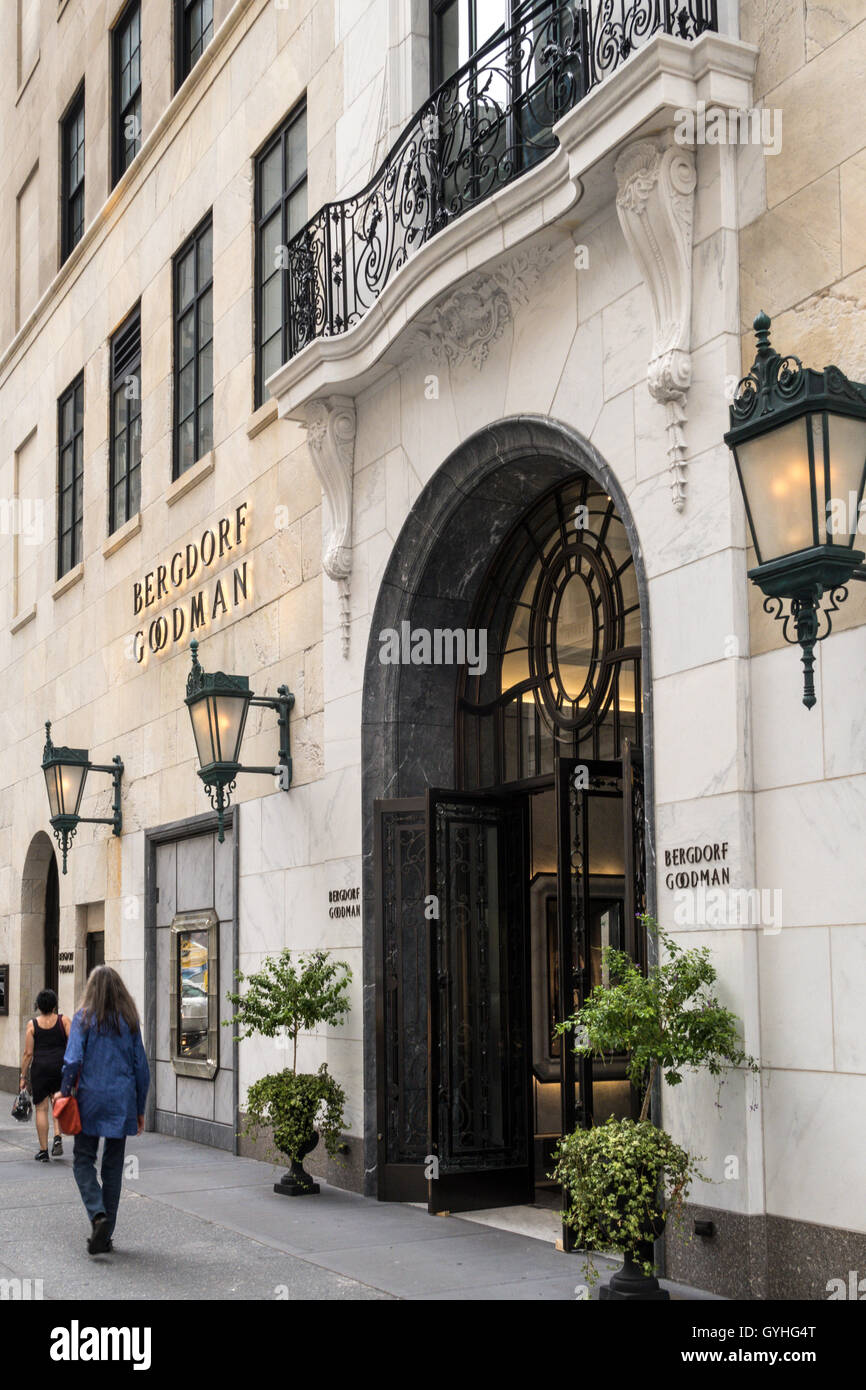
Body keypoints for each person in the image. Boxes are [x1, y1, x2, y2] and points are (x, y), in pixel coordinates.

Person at [60, 966, 150, 1256]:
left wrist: (64, 1092)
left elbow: (72, 1060)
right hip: (121, 1100)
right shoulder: (130, 1022)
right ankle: (106, 1235)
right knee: (113, 1166)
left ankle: (97, 1214)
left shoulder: (83, 1019)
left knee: (83, 1160)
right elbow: (141, 1069)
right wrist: (139, 1107)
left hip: (90, 1100)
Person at [19, 989, 71, 1161]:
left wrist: (23, 1076)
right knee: (57, 1102)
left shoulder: (32, 1025)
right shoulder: (64, 1021)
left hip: (40, 1069)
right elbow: (73, 1045)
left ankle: (43, 1151)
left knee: (41, 1108)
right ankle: (57, 1136)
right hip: (59, 1067)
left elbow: (28, 1053)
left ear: (39, 1006)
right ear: (55, 1005)